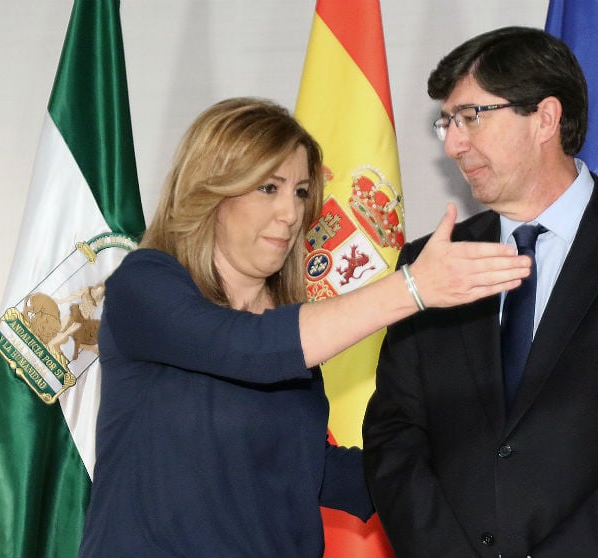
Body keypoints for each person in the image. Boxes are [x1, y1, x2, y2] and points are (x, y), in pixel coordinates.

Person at [77, 97, 530, 558]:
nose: (292, 214)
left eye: (299, 191)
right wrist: (412, 288)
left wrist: (484, 455)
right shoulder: (147, 284)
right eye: (269, 189)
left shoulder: (291, 333)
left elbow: (313, 469)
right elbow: (247, 349)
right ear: (211, 191)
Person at [363, 27, 598, 558]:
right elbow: (394, 436)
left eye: (470, 116)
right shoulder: (433, 261)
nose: (452, 143)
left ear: (545, 118)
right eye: (448, 122)